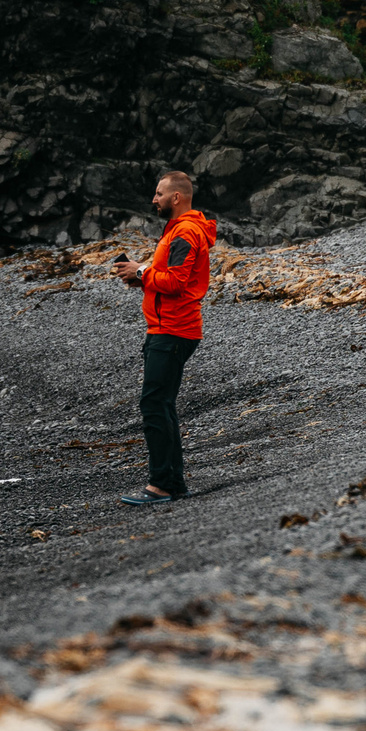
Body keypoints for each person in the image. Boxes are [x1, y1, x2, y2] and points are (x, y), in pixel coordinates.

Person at [112, 169, 215, 505]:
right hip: (168, 328)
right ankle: (173, 483)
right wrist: (140, 274)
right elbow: (168, 277)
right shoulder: (178, 231)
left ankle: (161, 485)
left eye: (158, 194)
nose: (153, 200)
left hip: (173, 330)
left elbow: (176, 282)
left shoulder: (185, 232)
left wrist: (141, 271)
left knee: (154, 404)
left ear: (176, 197)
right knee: (162, 404)